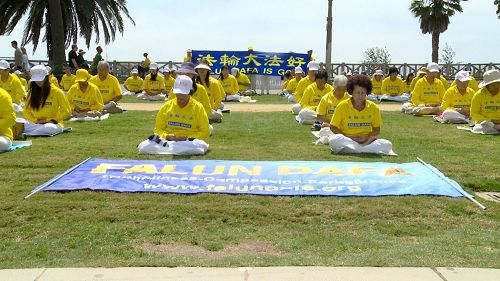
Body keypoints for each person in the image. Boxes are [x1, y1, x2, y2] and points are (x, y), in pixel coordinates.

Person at [138, 75, 210, 155]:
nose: (180, 96)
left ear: (190, 91)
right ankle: (178, 150)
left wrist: (187, 137)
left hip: (188, 141)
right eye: (178, 93)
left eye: (183, 93)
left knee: (200, 145)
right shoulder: (167, 105)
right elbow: (158, 129)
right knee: (144, 146)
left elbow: (205, 132)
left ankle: (167, 149)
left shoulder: (198, 107)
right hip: (169, 140)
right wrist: (167, 136)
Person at [329, 75, 394, 155]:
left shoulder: (373, 107)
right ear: (351, 92)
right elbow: (332, 126)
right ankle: (363, 150)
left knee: (387, 144)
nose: (360, 96)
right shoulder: (342, 106)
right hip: (347, 139)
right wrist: (348, 137)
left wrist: (367, 139)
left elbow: (376, 129)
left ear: (367, 93)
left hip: (367, 141)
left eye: (363, 93)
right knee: (334, 140)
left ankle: (353, 149)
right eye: (357, 92)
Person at [19, 65, 71, 136]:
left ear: (47, 77)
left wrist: (49, 120)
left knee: (48, 127)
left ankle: (28, 134)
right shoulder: (32, 92)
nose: (38, 82)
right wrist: (35, 120)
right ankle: (35, 131)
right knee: (17, 121)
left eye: (41, 79)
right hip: (35, 123)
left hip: (53, 123)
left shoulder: (57, 92)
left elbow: (67, 111)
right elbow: (26, 111)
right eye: (36, 80)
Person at [470, 69, 500, 133]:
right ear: (487, 84)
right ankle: (496, 127)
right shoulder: (478, 95)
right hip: (486, 122)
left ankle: (496, 128)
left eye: (498, 83)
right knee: (477, 129)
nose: (496, 86)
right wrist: (491, 120)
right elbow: (474, 113)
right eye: (493, 84)